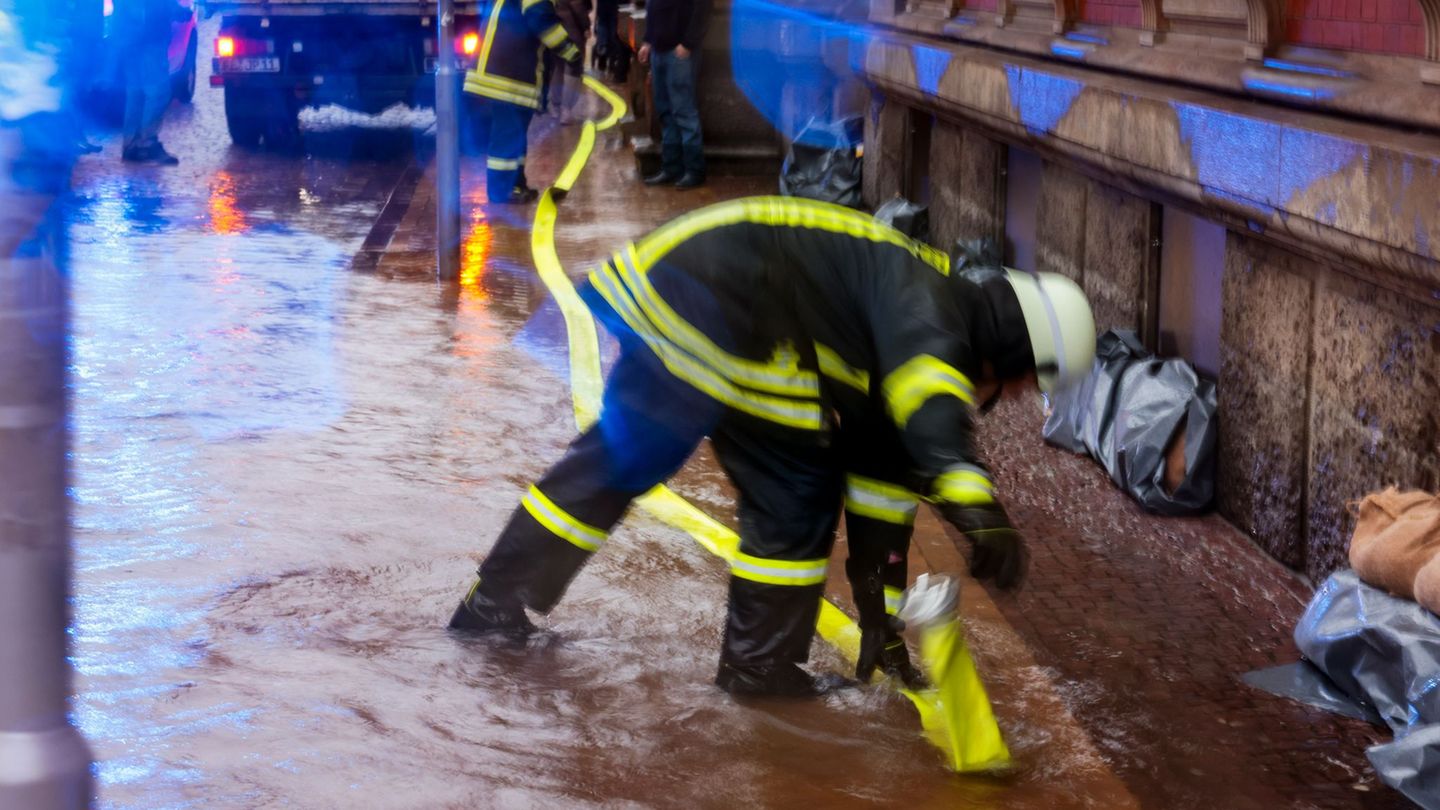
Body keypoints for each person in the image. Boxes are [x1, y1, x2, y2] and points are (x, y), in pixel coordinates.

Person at [448, 196, 1098, 697]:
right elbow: (934, 417)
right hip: (720, 304)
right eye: (1019, 381)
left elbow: (884, 483)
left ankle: (492, 603)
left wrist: (881, 617)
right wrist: (979, 510)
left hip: (699, 290)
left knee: (622, 459)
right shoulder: (933, 316)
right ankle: (758, 672)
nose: (1007, 395)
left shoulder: (923, 313)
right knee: (797, 488)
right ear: (1017, 345)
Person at [463, 0, 581, 203]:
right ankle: (501, 191)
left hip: (504, 74)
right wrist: (570, 51)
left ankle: (516, 185)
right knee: (507, 136)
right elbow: (541, 20)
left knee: (514, 134)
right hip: (507, 77)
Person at [637, 0, 711, 190]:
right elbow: (652, 8)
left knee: (683, 112)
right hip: (659, 51)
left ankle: (694, 171)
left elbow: (702, 8)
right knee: (665, 112)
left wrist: (688, 43)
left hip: (679, 52)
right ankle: (671, 168)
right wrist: (648, 41)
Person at [115, 0, 183, 165]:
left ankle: (131, 144)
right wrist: (174, 9)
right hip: (149, 36)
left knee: (136, 93)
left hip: (129, 35)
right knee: (158, 92)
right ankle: (147, 143)